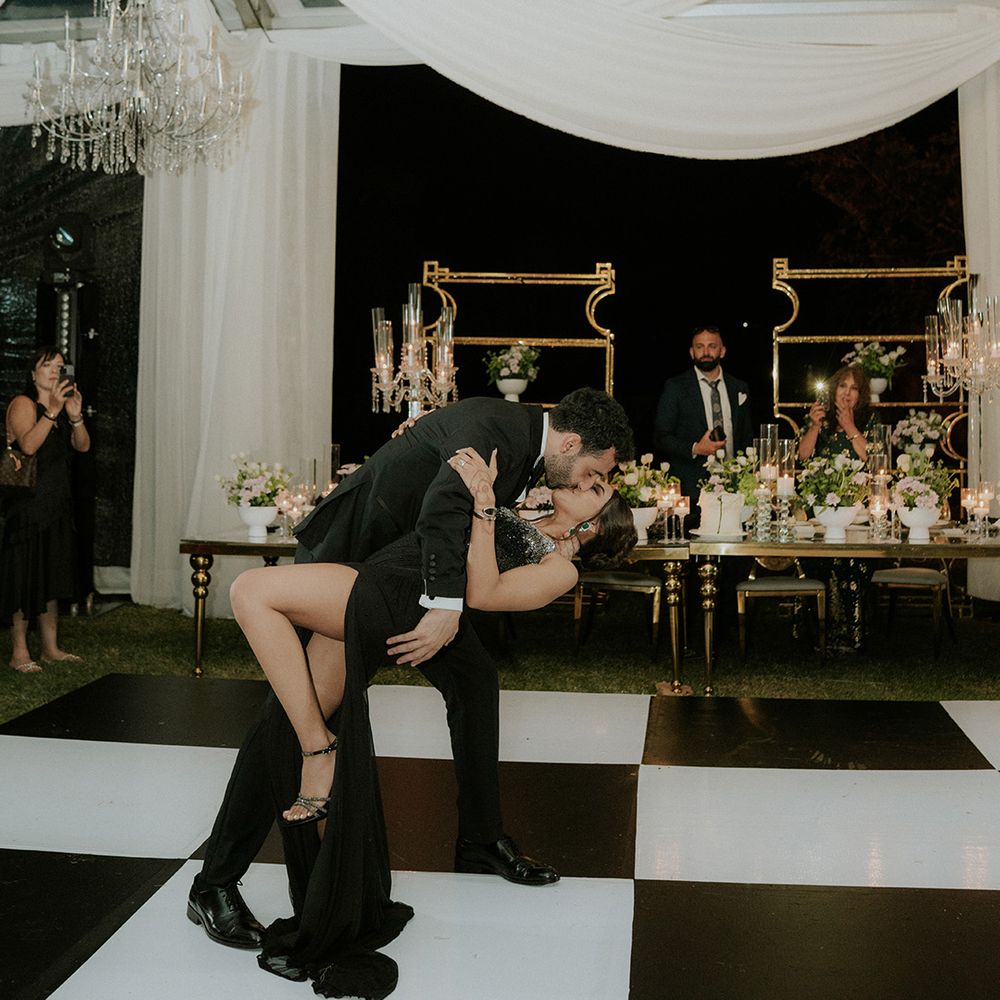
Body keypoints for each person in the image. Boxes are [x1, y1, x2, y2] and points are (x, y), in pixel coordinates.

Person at [186, 387, 635, 950]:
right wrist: (447, 606)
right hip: (364, 560)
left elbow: (478, 541)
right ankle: (216, 881)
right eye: (595, 471)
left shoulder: (533, 463)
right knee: (295, 710)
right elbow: (443, 510)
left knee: (476, 681)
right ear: (571, 442)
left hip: (417, 578)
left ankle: (479, 838)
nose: (588, 482)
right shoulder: (501, 432)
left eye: (599, 485)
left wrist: (474, 514)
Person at [1, 347, 90, 673]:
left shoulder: (61, 405)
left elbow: (82, 446)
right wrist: (51, 411)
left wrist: (75, 415)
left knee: (51, 574)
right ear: (33, 373)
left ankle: (51, 648)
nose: (55, 371)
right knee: (24, 576)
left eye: (60, 365)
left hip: (55, 504)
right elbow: (27, 446)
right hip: (27, 506)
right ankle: (20, 651)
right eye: (47, 365)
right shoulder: (24, 404)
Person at [797, 364, 879, 651]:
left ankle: (853, 633)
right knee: (821, 562)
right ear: (833, 390)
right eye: (842, 386)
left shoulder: (869, 419)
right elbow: (803, 457)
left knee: (854, 562)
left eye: (853, 388)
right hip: (821, 508)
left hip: (856, 508)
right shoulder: (821, 418)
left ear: (861, 394)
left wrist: (851, 427)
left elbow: (873, 459)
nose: (847, 393)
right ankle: (820, 634)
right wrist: (816, 426)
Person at [653, 325, 753, 508]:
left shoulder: (739, 387)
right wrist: (696, 448)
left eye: (712, 346)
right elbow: (661, 437)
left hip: (735, 486)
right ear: (692, 352)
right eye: (699, 347)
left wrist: (748, 476)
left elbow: (746, 436)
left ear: (722, 351)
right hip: (692, 488)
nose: (705, 352)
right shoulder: (676, 387)